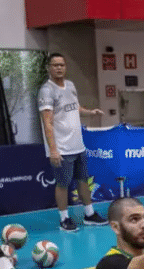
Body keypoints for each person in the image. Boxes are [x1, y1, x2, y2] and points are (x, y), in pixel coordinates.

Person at [38, 52, 107, 232]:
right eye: (55, 65)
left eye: (62, 65)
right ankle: (64, 219)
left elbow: (75, 108)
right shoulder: (47, 90)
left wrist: (90, 112)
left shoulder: (70, 85)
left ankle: (90, 214)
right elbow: (47, 122)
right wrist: (53, 150)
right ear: (48, 68)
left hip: (78, 146)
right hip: (62, 148)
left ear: (65, 67)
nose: (59, 68)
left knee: (83, 181)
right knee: (62, 184)